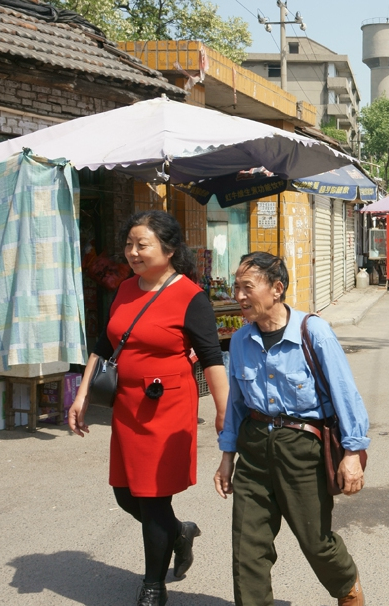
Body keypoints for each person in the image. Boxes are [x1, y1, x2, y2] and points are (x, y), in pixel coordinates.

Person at [68, 210, 229, 606]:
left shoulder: (190, 296)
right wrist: (82, 393)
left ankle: (153, 585)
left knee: (153, 496)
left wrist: (225, 414)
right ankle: (179, 532)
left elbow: (211, 357)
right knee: (125, 494)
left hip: (167, 407)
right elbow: (105, 346)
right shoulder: (125, 289)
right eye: (129, 245)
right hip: (126, 405)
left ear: (169, 249)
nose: (133, 252)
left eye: (142, 245)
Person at [214, 251, 369, 606]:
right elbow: (236, 405)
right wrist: (227, 457)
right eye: (236, 287)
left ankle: (347, 586)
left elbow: (346, 395)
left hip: (302, 447)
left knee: (315, 540)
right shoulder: (240, 340)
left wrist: (352, 454)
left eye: (247, 287)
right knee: (247, 550)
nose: (238, 296)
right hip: (254, 447)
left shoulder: (312, 331)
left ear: (277, 289)